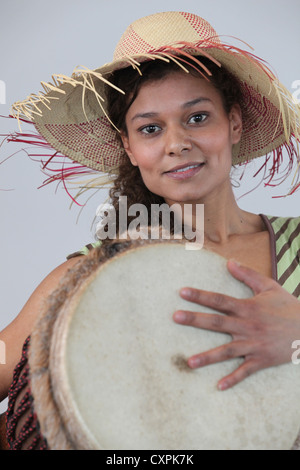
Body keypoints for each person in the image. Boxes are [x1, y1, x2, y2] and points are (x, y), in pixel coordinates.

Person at [1, 10, 300, 450]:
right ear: (129, 146)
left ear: (233, 123)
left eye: (197, 117)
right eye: (151, 128)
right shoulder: (91, 277)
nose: (176, 143)